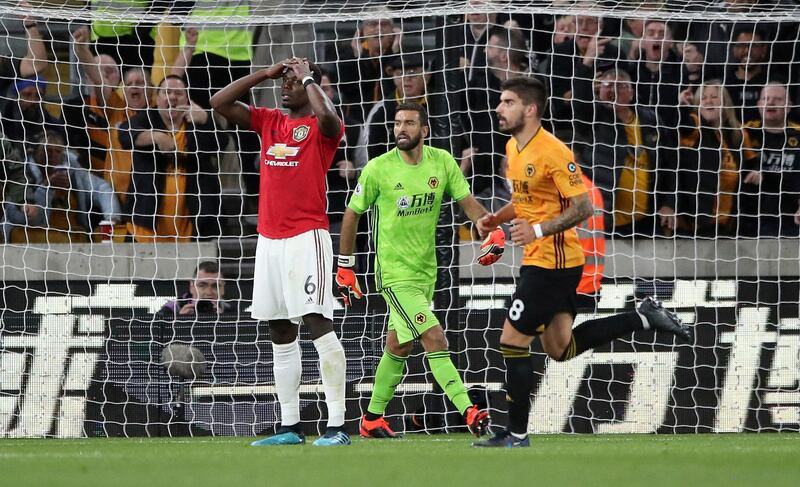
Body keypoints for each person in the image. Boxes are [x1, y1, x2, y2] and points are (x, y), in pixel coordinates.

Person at [471, 77, 691, 448]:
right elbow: (527, 200)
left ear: (530, 109)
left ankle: (517, 434)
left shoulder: (554, 152)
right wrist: (497, 217)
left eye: (507, 102)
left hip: (555, 264)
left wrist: (538, 231)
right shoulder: (512, 147)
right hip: (540, 260)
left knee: (511, 340)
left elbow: (583, 207)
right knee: (560, 349)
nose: (499, 108)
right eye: (500, 102)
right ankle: (643, 317)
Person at [210, 57, 349, 447]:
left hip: (308, 238)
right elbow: (218, 101)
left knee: (317, 323)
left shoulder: (322, 128)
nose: (284, 86)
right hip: (269, 241)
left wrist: (306, 77)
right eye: (283, 81)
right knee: (280, 329)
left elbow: (331, 120)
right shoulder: (270, 121)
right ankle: (290, 426)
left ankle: (337, 426)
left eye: (291, 81)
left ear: (310, 86)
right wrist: (264, 74)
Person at [335, 102, 491, 440]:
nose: (401, 129)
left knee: (399, 345)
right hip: (393, 274)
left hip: (425, 273)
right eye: (397, 124)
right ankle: (469, 410)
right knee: (435, 338)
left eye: (409, 123)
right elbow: (351, 213)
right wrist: (345, 266)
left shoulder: (442, 162)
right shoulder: (378, 168)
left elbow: (469, 204)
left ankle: (372, 419)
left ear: (425, 130)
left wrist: (487, 227)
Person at [119, 75, 221, 242]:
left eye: (179, 93)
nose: (173, 97)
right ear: (157, 98)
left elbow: (220, 144)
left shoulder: (197, 123)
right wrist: (157, 137)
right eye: (167, 92)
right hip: (144, 229)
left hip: (190, 228)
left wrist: (206, 120)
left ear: (187, 99)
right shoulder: (147, 118)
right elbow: (125, 134)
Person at [2, 130, 121, 244]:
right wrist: (46, 187)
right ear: (36, 153)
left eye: (58, 151)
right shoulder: (22, 173)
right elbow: (19, 218)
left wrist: (111, 218)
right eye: (47, 151)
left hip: (74, 240)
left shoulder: (72, 169)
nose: (52, 156)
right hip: (34, 241)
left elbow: (101, 188)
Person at [740, 83, 800, 237]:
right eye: (766, 98)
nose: (770, 102)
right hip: (748, 219)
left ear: (789, 106)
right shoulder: (743, 133)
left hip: (792, 219)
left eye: (777, 99)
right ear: (759, 104)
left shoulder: (798, 134)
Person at [158, 261, 232, 316]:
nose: (209, 292)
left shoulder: (231, 312)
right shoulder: (171, 309)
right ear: (191, 286)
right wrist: (180, 322)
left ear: (222, 288)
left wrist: (223, 322)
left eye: (215, 286)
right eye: (202, 285)